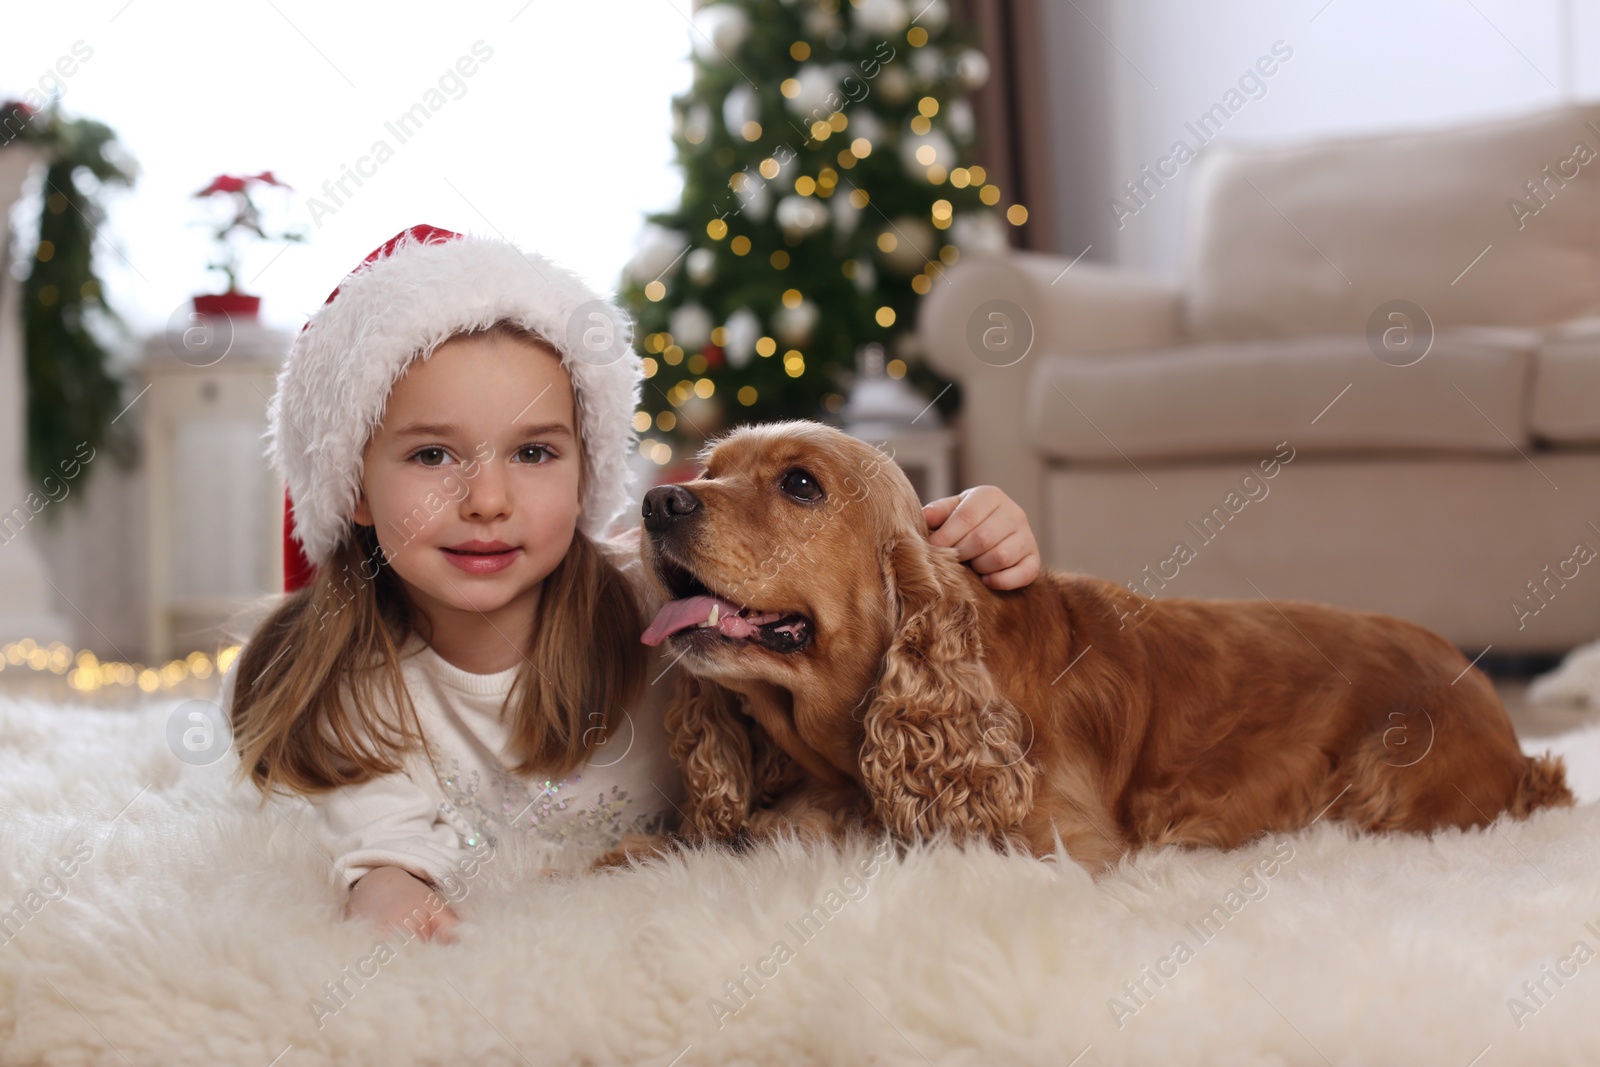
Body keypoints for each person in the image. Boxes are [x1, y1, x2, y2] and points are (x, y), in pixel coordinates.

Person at [224, 224, 1042, 945]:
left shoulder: (655, 600)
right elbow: (383, 845)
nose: (487, 500)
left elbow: (857, 591)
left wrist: (969, 530)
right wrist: (390, 888)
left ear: (588, 478)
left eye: (535, 452)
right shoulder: (357, 681)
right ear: (353, 488)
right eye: (433, 454)